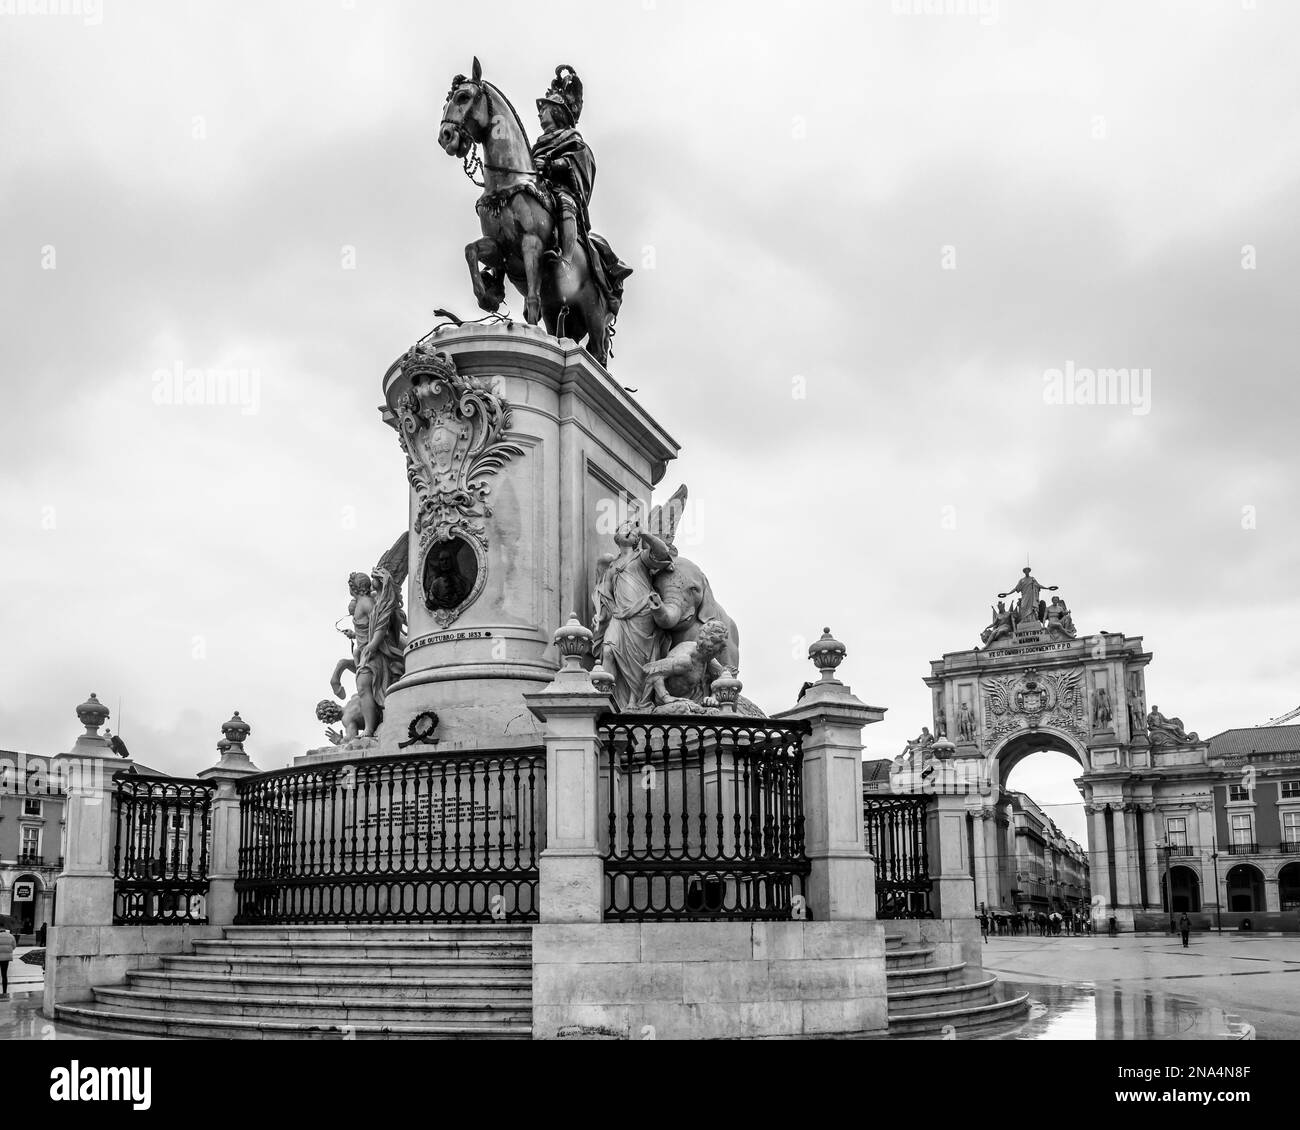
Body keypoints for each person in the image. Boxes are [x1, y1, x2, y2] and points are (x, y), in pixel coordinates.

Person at [0, 925, 14, 999]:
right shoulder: (10, 936)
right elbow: (14, 946)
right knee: (4, 975)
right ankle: (4, 992)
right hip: (6, 958)